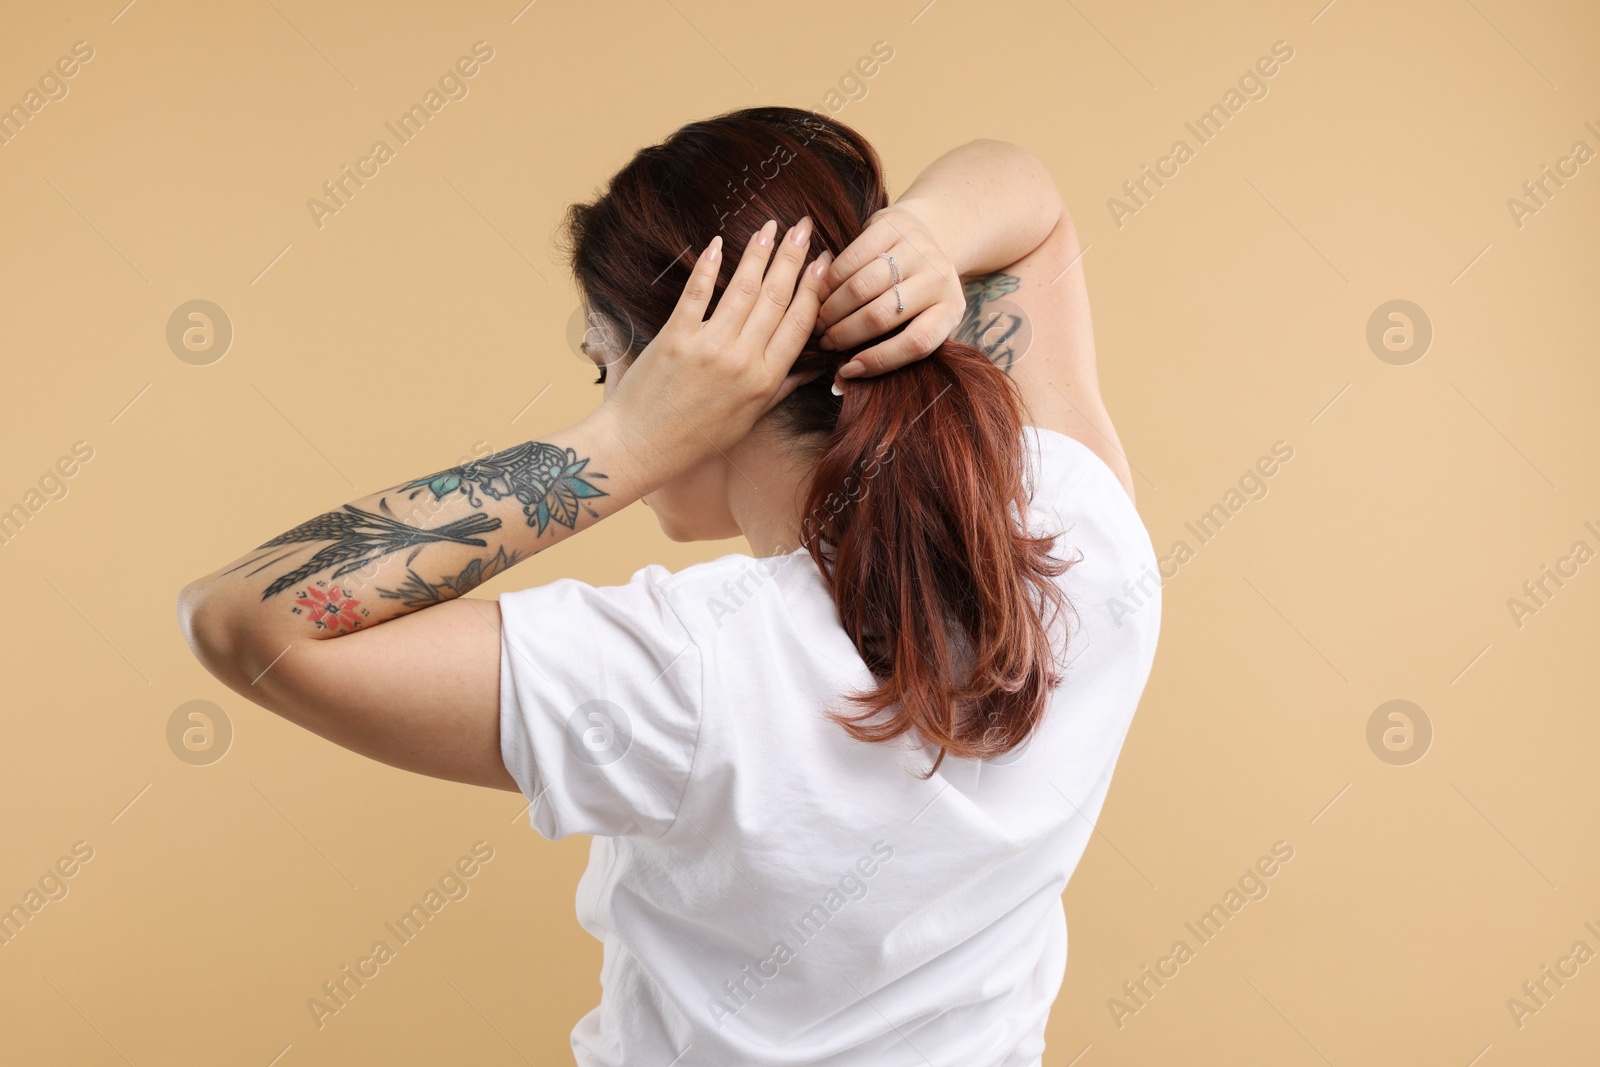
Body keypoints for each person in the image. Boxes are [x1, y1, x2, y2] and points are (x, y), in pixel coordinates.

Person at [177, 106, 1160, 1067]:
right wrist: (924, 237)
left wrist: (624, 444)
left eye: (609, 366)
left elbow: (244, 619)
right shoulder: (1073, 528)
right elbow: (1028, 205)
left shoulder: (683, 671)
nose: (607, 396)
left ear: (694, 375)